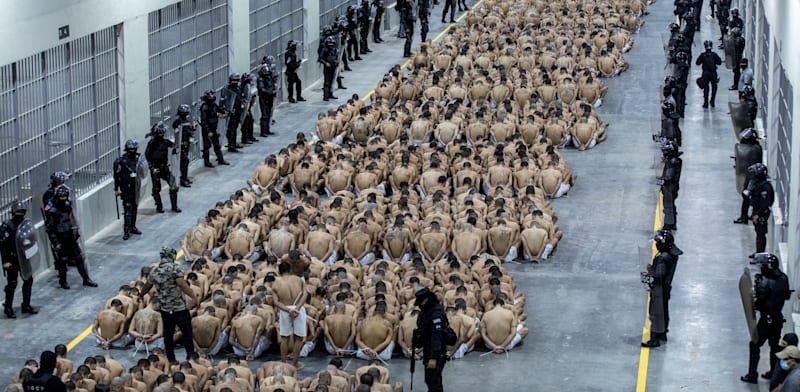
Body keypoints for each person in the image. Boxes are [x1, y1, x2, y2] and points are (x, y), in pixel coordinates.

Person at [139, 247, 199, 362]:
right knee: (187, 333)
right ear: (172, 256)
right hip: (179, 307)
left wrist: (141, 295)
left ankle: (171, 359)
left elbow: (147, 286)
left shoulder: (154, 271)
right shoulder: (175, 268)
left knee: (168, 335)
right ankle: (190, 357)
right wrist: (193, 297)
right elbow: (182, 284)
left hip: (165, 309)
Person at [741, 253, 790, 384]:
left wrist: (758, 288)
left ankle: (752, 375)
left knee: (755, 344)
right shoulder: (784, 279)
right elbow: (786, 296)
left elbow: (758, 304)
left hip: (766, 320)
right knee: (774, 347)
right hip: (778, 319)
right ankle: (773, 372)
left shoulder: (765, 283)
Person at [44, 185, 97, 289]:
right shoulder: (53, 211)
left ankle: (86, 279)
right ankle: (63, 281)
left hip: (70, 237)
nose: (63, 200)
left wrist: (75, 231)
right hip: (60, 238)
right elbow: (50, 229)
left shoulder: (67, 206)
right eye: (61, 198)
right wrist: (56, 243)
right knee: (62, 261)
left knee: (79, 258)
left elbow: (72, 219)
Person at [641, 231, 678, 347]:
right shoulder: (669, 256)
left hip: (659, 290)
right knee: (663, 312)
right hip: (665, 290)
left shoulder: (662, 258)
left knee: (656, 314)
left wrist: (650, 272)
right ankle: (662, 334)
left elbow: (659, 275)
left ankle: (654, 339)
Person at [1, 202, 37, 318]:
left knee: (28, 280)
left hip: (23, 257)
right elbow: (2, 246)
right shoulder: (7, 226)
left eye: (22, 212)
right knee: (12, 283)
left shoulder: (25, 225)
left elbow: (30, 239)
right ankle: (8, 308)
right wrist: (5, 261)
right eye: (18, 212)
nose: (20, 214)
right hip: (12, 258)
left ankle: (26, 305)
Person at [413, 287, 446, 392]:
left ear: (427, 300)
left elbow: (437, 337)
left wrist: (433, 358)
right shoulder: (426, 311)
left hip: (436, 353)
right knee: (429, 380)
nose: (419, 305)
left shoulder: (436, 313)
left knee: (434, 382)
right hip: (428, 349)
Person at [145, 123, 181, 213]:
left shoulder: (165, 142)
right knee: (156, 189)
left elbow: (175, 145)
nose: (161, 133)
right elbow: (147, 158)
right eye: (160, 132)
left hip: (164, 168)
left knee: (173, 185)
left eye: (162, 132)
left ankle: (174, 206)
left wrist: (177, 135)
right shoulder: (152, 143)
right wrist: (152, 168)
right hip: (155, 168)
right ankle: (159, 206)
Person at [113, 139, 143, 240]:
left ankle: (133, 227)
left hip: (136, 187)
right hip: (126, 187)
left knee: (134, 207)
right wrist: (116, 189)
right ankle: (126, 230)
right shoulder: (121, 161)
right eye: (130, 149)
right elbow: (116, 176)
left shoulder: (139, 159)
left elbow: (143, 171)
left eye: (134, 149)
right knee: (128, 208)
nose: (132, 150)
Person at [733, 129, 762, 225]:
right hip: (752, 176)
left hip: (752, 177)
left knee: (746, 196)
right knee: (750, 196)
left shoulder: (754, 150)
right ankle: (749, 214)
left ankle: (744, 216)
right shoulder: (756, 147)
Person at [746, 163, 774, 257]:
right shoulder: (758, 185)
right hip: (757, 211)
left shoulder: (765, 187)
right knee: (758, 233)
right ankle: (758, 252)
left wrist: (758, 214)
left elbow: (765, 203)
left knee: (761, 234)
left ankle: (760, 254)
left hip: (761, 213)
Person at [198, 90, 228, 168]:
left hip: (214, 128)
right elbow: (203, 121)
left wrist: (225, 112)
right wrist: (208, 131)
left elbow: (219, 110)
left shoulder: (214, 105)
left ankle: (221, 159)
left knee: (217, 145)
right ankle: (207, 162)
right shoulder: (204, 107)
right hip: (207, 130)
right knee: (207, 146)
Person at [659, 141, 682, 231]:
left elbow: (669, 177)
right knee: (671, 205)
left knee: (668, 206)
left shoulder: (672, 163)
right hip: (673, 187)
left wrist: (662, 180)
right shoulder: (674, 160)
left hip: (670, 188)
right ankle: (672, 223)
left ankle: (668, 224)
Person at [171, 104, 195, 188]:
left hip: (186, 144)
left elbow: (191, 129)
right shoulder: (178, 122)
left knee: (186, 162)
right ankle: (183, 179)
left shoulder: (187, 121)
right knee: (184, 161)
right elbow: (177, 132)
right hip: (180, 145)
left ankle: (185, 177)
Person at [219, 73, 244, 153]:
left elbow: (240, 98)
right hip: (231, 112)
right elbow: (224, 100)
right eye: (233, 80)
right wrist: (227, 110)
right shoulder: (227, 89)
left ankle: (234, 143)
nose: (235, 82)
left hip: (238, 110)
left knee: (235, 128)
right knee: (231, 129)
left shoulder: (238, 88)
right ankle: (231, 145)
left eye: (236, 80)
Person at [695, 40, 722, 108]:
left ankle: (706, 103)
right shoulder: (714, 55)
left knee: (706, 88)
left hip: (706, 73)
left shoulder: (703, 55)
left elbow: (697, 63)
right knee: (714, 87)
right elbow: (719, 62)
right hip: (713, 73)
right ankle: (712, 101)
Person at [257, 64, 277, 137]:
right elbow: (262, 89)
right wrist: (270, 92)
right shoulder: (260, 79)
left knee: (269, 114)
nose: (267, 73)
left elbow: (273, 84)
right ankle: (263, 131)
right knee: (264, 115)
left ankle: (267, 129)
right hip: (264, 98)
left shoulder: (270, 77)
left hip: (270, 98)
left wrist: (274, 90)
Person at [319, 37, 339, 101]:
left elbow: (336, 57)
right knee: (327, 82)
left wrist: (336, 61)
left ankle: (330, 94)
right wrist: (326, 63)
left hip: (333, 67)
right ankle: (325, 96)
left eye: (332, 43)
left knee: (332, 81)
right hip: (327, 68)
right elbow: (320, 59)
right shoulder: (324, 50)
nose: (331, 45)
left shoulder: (334, 49)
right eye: (329, 43)